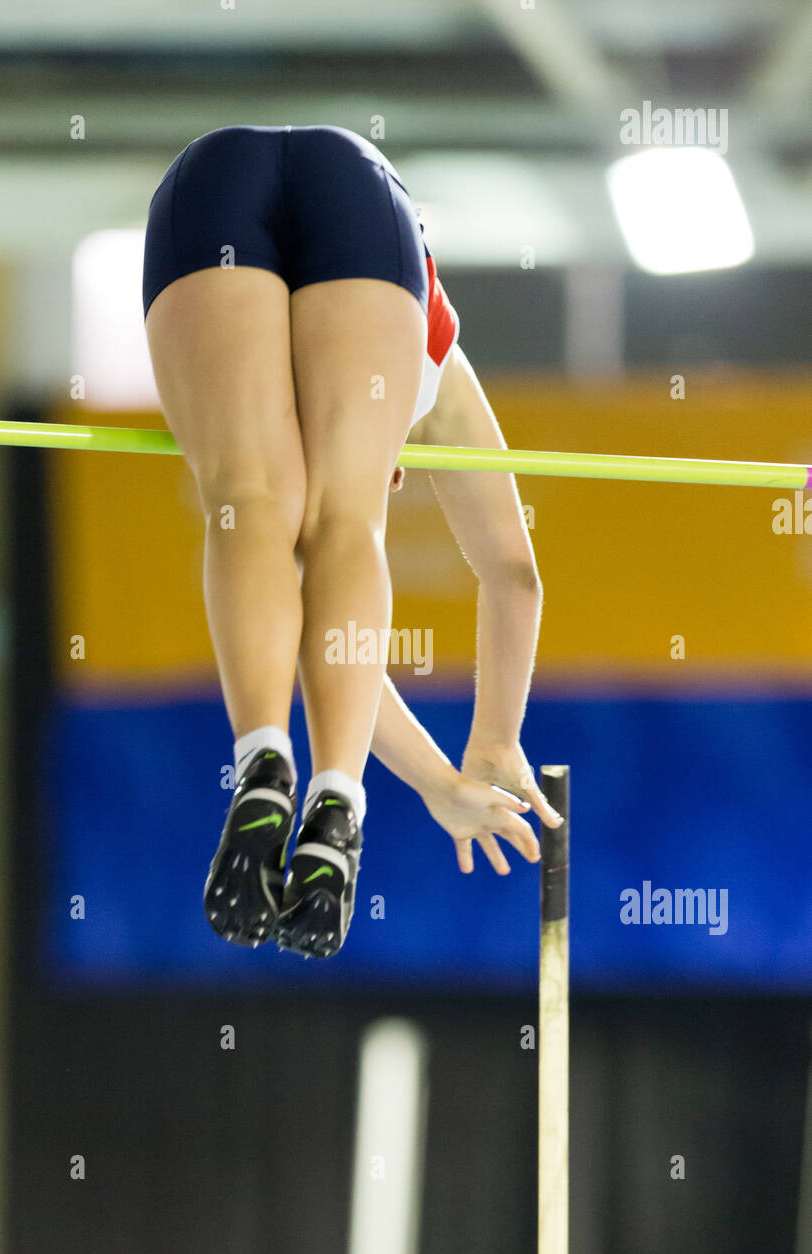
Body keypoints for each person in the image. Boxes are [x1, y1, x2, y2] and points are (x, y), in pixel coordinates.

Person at [142, 124, 562, 961]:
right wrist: (487, 742)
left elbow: (509, 581)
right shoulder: (428, 373)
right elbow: (509, 571)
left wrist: (465, 761)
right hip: (361, 198)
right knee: (343, 523)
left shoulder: (432, 371)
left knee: (252, 500)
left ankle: (266, 761)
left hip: (219, 180)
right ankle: (335, 797)